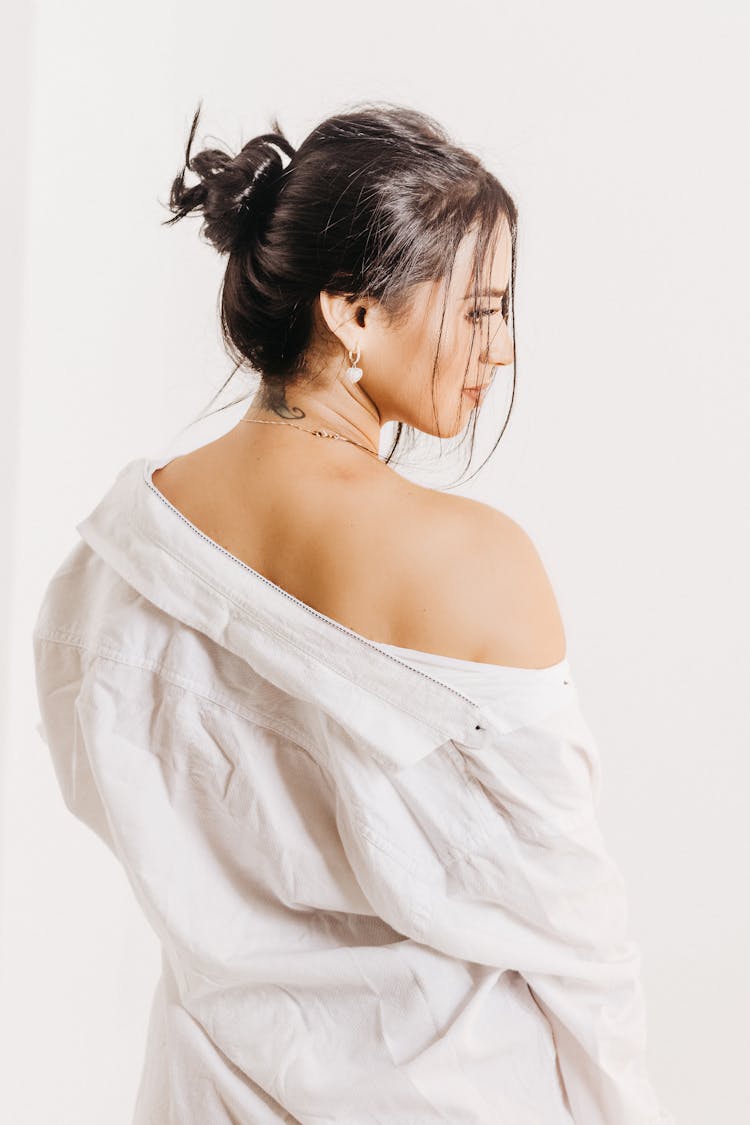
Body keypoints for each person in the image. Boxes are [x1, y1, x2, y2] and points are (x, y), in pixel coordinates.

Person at [31, 101, 675, 1123]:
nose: (497, 349)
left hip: (209, 1096)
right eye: (475, 309)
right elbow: (575, 940)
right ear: (354, 312)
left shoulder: (110, 564)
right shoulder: (476, 563)